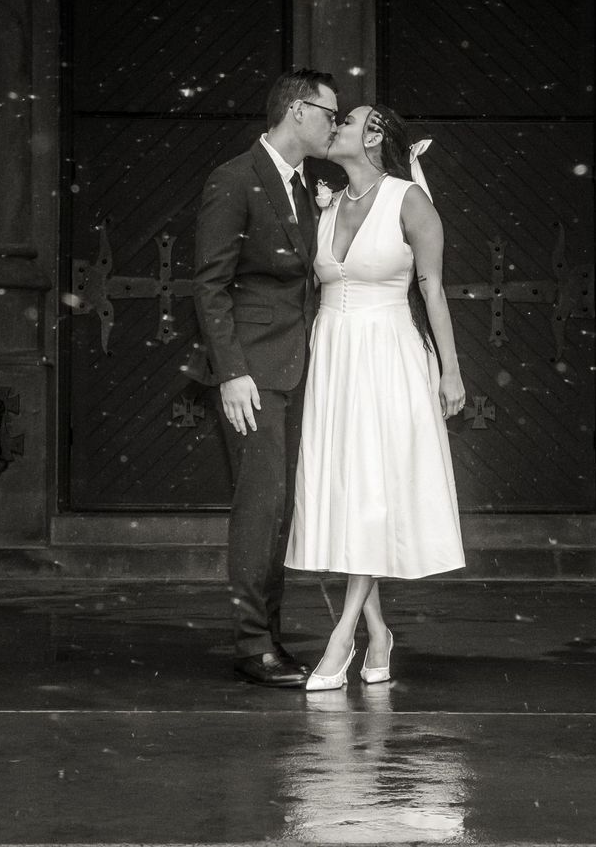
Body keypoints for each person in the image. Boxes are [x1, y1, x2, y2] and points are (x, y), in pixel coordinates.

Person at [284, 103, 467, 691]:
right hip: (334, 357)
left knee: (372, 492)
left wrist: (451, 372)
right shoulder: (329, 203)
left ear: (374, 135)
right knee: (346, 492)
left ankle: (342, 636)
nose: (335, 126)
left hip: (387, 355)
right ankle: (379, 632)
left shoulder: (408, 201)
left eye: (347, 121)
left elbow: (433, 290)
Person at [191, 68, 339, 687]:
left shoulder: (304, 187)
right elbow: (210, 284)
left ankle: (269, 634)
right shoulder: (234, 178)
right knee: (261, 505)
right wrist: (232, 372)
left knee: (282, 508)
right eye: (330, 113)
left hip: (302, 369)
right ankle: (253, 644)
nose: (335, 125)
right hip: (253, 372)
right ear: (297, 110)